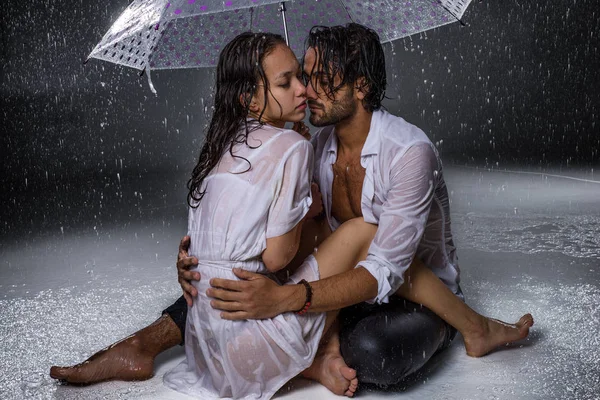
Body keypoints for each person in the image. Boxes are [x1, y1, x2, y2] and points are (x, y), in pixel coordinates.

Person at [50, 24, 534, 396]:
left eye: (322, 78)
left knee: (370, 355)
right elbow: (300, 240)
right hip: (341, 283)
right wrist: (200, 258)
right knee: (241, 281)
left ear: (361, 87)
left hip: (408, 289)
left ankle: (470, 326)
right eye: (302, 75)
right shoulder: (312, 143)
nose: (308, 88)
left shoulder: (409, 152)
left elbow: (385, 268)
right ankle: (148, 343)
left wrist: (286, 299)